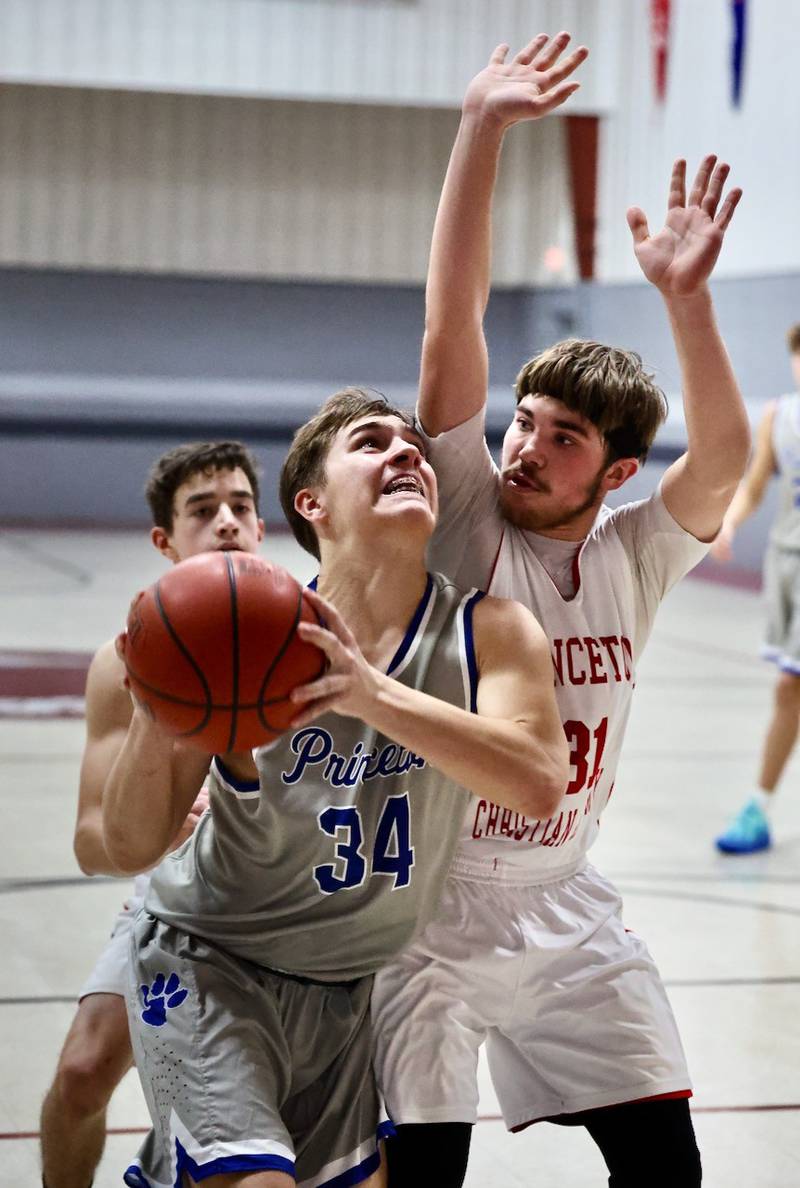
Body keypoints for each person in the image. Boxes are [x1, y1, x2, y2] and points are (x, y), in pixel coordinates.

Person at [369, 33, 749, 1188]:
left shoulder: (634, 555)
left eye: (562, 437)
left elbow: (724, 455)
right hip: (429, 907)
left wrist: (683, 299)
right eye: (525, 420)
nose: (525, 446)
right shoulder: (466, 516)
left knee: (663, 1166)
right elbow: (451, 324)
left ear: (617, 472)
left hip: (566, 900)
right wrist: (479, 129)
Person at [101, 388, 568, 1188]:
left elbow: (536, 784)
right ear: (311, 502)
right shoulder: (241, 632)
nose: (407, 453)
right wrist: (154, 716)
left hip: (346, 996)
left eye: (413, 446)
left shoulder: (488, 628)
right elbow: (129, 847)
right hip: (209, 963)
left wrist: (369, 693)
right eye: (370, 442)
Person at [40, 440, 266, 1188]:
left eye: (241, 506)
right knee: (79, 1073)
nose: (228, 522)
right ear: (165, 542)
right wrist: (150, 839)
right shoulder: (124, 659)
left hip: (278, 917)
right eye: (204, 511)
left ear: (262, 528)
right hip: (168, 906)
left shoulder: (304, 640)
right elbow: (89, 844)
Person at [712, 323, 800, 853]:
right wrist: (730, 522)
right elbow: (756, 481)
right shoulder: (778, 415)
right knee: (789, 688)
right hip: (788, 563)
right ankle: (758, 808)